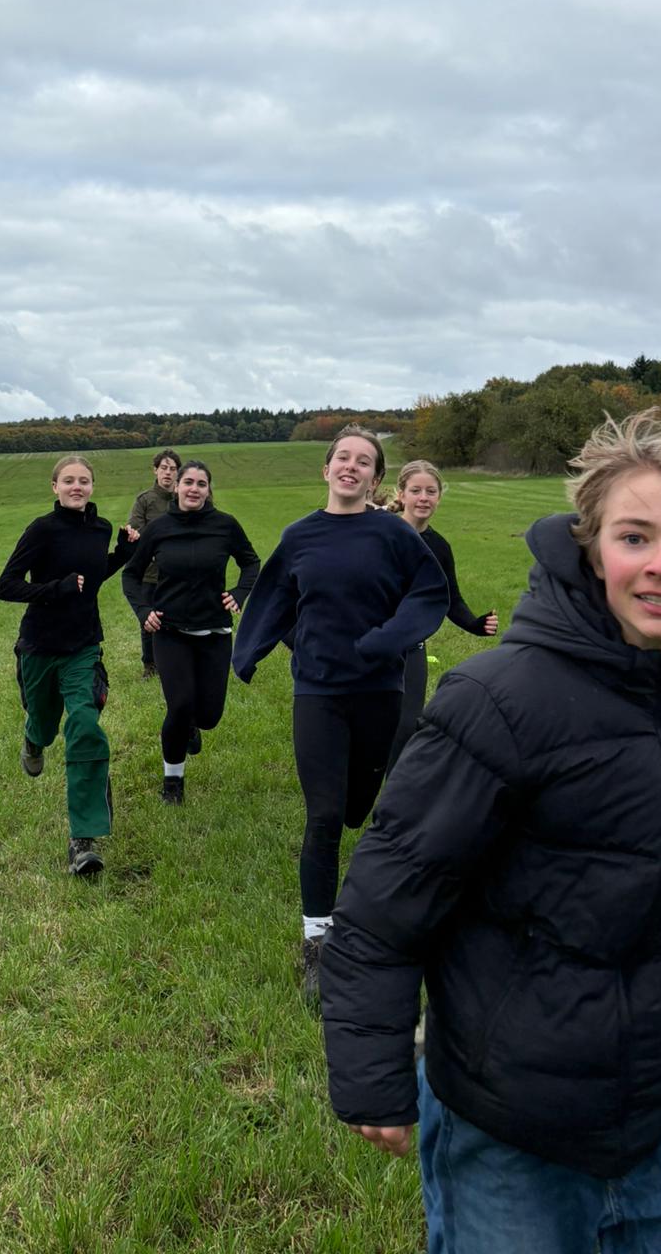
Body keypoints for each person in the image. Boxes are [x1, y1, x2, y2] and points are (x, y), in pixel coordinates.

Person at [321, 411, 661, 1253]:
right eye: (635, 536)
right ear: (592, 549)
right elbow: (382, 907)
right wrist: (371, 1074)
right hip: (508, 1112)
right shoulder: (499, 701)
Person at [232, 426, 448, 998]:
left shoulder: (393, 534)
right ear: (326, 469)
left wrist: (388, 639)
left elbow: (429, 592)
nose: (351, 466)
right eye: (343, 458)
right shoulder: (300, 536)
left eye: (364, 461)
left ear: (376, 480)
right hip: (318, 693)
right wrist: (249, 651)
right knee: (325, 817)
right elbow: (275, 597)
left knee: (357, 810)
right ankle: (317, 944)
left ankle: (354, 857)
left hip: (379, 690)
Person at [0, 455, 139, 877]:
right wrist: (54, 589)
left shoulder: (100, 528)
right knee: (43, 724)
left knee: (85, 725)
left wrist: (123, 554)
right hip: (40, 646)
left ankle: (83, 839)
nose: (77, 487)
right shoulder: (42, 529)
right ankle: (33, 739)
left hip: (83, 645)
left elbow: (90, 579)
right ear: (54, 487)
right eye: (69, 480)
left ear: (92, 486)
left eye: (84, 480)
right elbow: (6, 586)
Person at [122, 459, 259, 804]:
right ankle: (173, 781)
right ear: (177, 487)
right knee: (179, 705)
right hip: (170, 631)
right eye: (188, 482)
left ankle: (192, 724)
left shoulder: (225, 525)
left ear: (208, 490)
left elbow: (251, 562)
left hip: (215, 631)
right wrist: (143, 611)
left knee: (209, 716)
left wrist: (239, 592)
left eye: (201, 483)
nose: (194, 489)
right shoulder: (160, 528)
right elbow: (131, 574)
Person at [385, 460, 498, 770]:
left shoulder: (439, 546)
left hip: (412, 649)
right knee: (370, 723)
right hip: (371, 645)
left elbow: (450, 599)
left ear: (439, 497)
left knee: (406, 727)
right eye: (416, 491)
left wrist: (475, 624)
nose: (423, 498)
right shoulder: (381, 534)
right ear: (402, 494)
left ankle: (394, 792)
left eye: (430, 491)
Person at [126, 449, 181, 678]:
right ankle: (150, 665)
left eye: (173, 469)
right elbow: (136, 530)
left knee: (177, 618)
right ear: (155, 470)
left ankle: (176, 661)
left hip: (178, 573)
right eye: (164, 468)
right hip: (150, 573)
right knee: (149, 620)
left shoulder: (183, 499)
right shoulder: (145, 500)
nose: (168, 473)